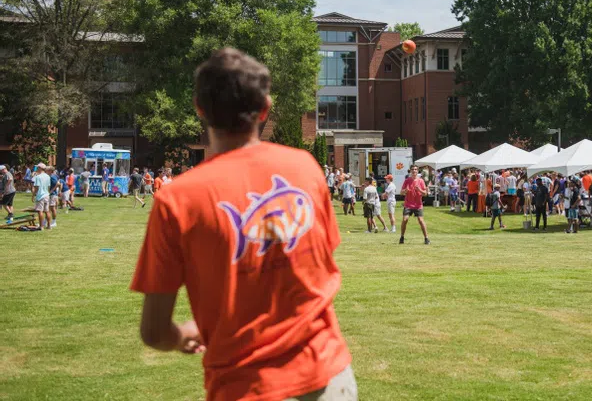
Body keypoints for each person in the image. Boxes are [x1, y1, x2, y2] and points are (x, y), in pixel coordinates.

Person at [131, 48, 355, 400]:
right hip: (328, 376)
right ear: (264, 109)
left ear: (199, 109)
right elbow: (319, 261)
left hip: (244, 386)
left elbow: (154, 331)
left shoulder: (177, 199)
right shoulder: (306, 168)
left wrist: (182, 335)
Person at [400, 165, 430, 245]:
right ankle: (402, 237)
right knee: (405, 219)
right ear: (410, 171)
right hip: (408, 204)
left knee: (421, 220)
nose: (414, 171)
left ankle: (426, 238)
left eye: (416, 169)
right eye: (412, 169)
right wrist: (405, 191)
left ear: (418, 171)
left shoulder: (421, 181)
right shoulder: (407, 180)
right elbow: (401, 192)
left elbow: (425, 194)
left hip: (418, 205)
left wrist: (419, 189)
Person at [32, 163, 51, 230]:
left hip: (40, 195)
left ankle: (41, 226)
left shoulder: (38, 177)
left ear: (40, 168)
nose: (37, 169)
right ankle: (49, 226)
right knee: (47, 211)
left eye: (37, 168)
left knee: (40, 211)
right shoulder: (48, 176)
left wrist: (33, 195)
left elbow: (36, 187)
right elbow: (48, 187)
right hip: (47, 195)